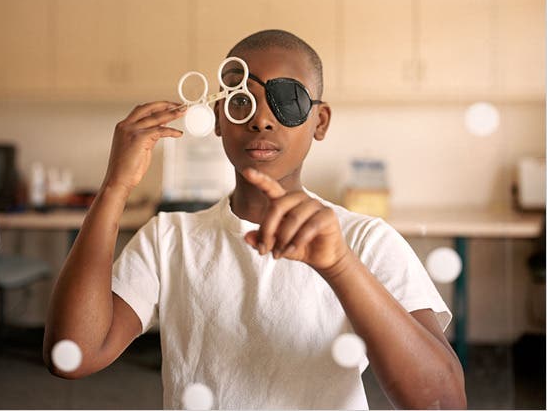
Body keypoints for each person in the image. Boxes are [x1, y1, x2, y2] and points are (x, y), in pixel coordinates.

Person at [43, 29, 466, 409]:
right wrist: (115, 187)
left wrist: (340, 266)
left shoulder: (365, 240)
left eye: (288, 101)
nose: (262, 119)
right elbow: (72, 355)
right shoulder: (170, 239)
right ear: (219, 119)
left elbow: (442, 402)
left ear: (320, 121)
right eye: (242, 101)